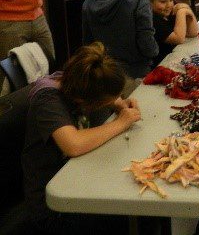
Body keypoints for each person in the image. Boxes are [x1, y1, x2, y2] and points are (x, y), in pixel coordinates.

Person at [21, 42, 140, 234]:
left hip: (81, 181)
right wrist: (121, 123)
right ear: (87, 100)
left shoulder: (77, 83)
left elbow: (104, 94)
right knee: (132, 213)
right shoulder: (48, 99)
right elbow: (73, 145)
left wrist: (119, 103)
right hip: (55, 206)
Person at [143, 0, 198, 67]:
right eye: (163, 1)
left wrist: (188, 10)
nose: (169, 5)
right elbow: (178, 39)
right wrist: (182, 12)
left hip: (174, 59)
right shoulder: (152, 19)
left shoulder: (168, 12)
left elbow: (193, 33)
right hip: (160, 65)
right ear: (149, 2)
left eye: (171, 0)